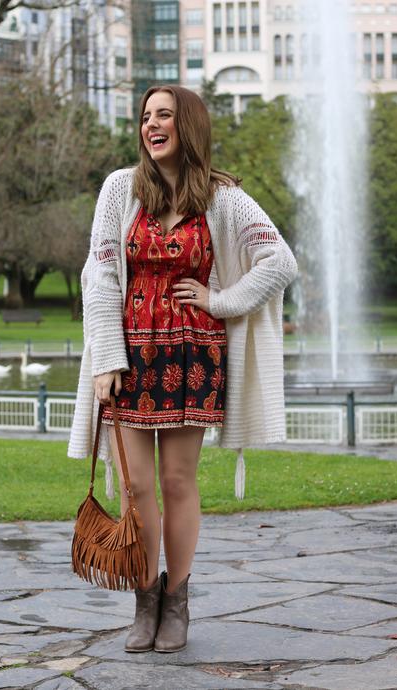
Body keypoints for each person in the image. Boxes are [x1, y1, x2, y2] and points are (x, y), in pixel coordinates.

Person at [68, 84, 298, 654]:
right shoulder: (120, 189)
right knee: (137, 484)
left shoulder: (223, 198)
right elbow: (99, 277)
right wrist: (106, 358)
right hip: (129, 356)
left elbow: (280, 261)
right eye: (146, 116)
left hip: (194, 355)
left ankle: (178, 604)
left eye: (163, 115)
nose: (151, 124)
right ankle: (144, 600)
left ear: (187, 125)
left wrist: (219, 302)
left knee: (176, 482)